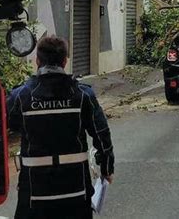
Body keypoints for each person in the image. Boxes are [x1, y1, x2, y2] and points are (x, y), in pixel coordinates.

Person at [7, 36, 114, 219]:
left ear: (37, 61)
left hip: (34, 191)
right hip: (75, 191)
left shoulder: (20, 96)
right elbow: (101, 134)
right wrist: (106, 168)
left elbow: (8, 126)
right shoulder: (83, 95)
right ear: (65, 61)